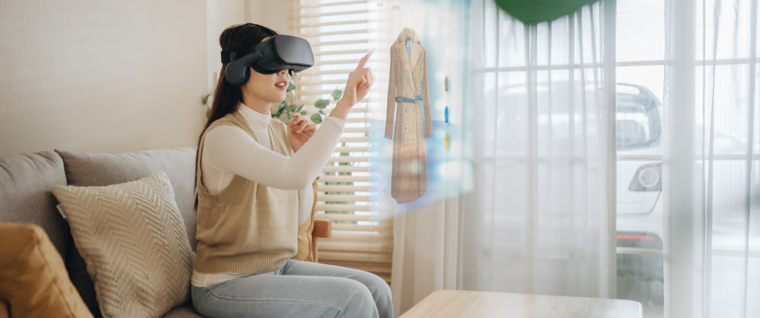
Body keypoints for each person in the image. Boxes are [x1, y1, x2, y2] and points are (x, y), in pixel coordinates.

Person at [191, 23, 391, 318]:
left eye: (286, 66)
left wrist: (299, 151)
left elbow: (296, 216)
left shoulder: (278, 130)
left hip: (276, 268)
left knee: (376, 288)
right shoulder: (224, 136)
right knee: (354, 297)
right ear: (240, 69)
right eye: (272, 63)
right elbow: (293, 174)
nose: (284, 72)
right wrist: (344, 105)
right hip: (223, 284)